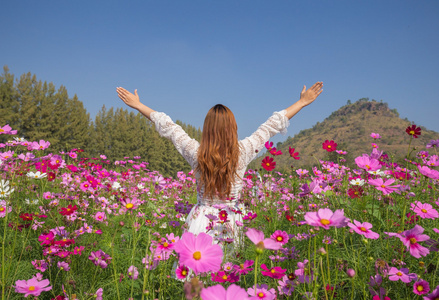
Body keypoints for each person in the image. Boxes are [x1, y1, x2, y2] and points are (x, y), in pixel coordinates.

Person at [116, 82, 323, 249]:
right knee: (226, 277)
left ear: (206, 129)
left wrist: (139, 105)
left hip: (199, 221)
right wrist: (302, 102)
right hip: (230, 221)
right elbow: (270, 126)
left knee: (196, 280)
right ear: (233, 128)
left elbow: (170, 128)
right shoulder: (242, 152)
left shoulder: (196, 153)